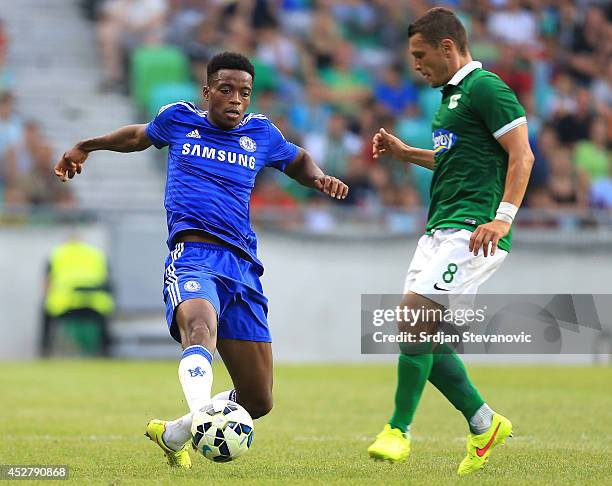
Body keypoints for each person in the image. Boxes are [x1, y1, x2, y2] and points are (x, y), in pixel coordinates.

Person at [54, 51, 349, 468]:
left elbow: (297, 159)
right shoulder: (179, 120)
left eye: (244, 93)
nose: (235, 100)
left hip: (243, 268)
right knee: (199, 325)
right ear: (207, 91)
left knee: (258, 400)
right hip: (193, 256)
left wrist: (318, 177)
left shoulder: (260, 134)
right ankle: (204, 415)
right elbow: (138, 136)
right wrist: (87, 146)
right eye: (226, 90)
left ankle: (174, 433)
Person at [366, 8, 534, 476]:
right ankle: (484, 423)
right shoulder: (449, 99)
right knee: (417, 331)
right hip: (440, 228)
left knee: (413, 318)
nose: (416, 64)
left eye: (421, 55)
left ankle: (397, 430)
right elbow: (453, 161)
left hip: (474, 229)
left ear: (447, 47)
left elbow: (523, 154)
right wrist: (406, 153)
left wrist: (502, 219)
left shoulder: (486, 88)